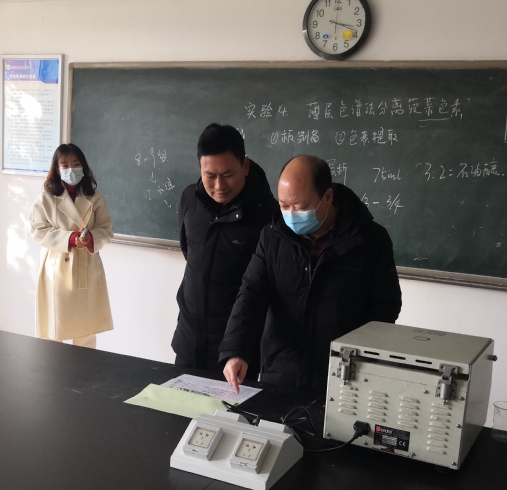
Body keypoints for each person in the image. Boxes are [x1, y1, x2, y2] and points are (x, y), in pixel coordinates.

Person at [220, 155, 402, 392]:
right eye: (284, 205)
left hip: (344, 377)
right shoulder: (273, 236)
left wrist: (358, 362)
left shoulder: (369, 240)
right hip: (281, 372)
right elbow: (251, 295)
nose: (291, 214)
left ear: (327, 197)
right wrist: (236, 350)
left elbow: (384, 307)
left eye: (300, 207)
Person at [171, 124, 277, 373]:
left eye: (228, 174)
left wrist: (239, 347)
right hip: (188, 343)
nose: (219, 185)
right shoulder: (189, 199)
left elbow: (265, 289)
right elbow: (190, 254)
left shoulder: (270, 216)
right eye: (210, 175)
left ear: (245, 166)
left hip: (238, 354)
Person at [29, 143, 113, 348]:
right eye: (65, 165)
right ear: (57, 169)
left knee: (86, 331)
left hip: (87, 265)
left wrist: (91, 238)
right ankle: (52, 368)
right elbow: (38, 230)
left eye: (75, 164)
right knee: (55, 329)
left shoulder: (95, 196)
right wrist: (70, 238)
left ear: (83, 165)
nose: (71, 169)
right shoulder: (47, 197)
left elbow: (106, 229)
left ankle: (86, 368)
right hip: (57, 267)